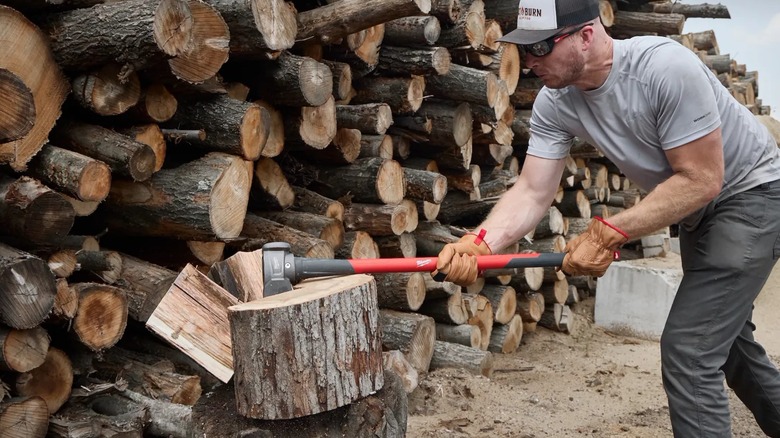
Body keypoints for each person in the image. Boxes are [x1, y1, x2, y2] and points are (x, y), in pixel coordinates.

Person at [432, 0, 780, 436]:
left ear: (586, 34)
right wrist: (481, 242)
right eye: (525, 48)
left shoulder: (664, 68)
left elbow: (703, 179)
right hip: (699, 209)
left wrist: (610, 230)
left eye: (542, 46)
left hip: (751, 194)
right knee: (728, 346)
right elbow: (533, 190)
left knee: (691, 350)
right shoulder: (555, 102)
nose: (532, 60)